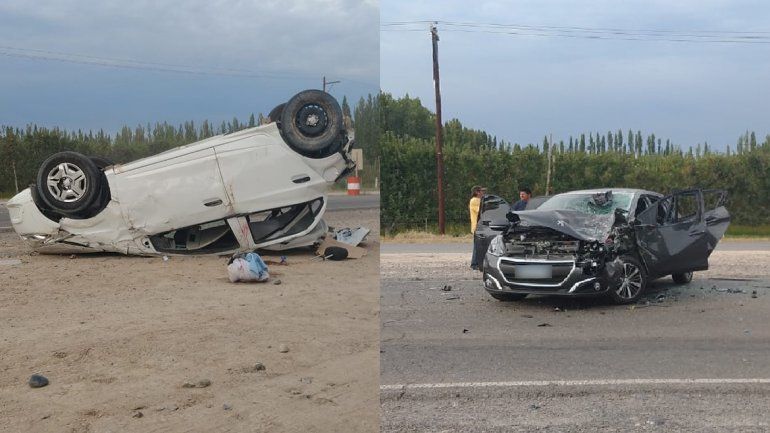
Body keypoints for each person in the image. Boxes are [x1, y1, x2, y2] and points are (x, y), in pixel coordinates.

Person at [469, 185, 483, 270]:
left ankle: (478, 262)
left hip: (480, 227)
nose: (482, 193)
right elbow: (480, 210)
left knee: (479, 245)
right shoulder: (474, 200)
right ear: (477, 192)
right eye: (481, 191)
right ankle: (474, 263)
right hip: (477, 227)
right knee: (477, 246)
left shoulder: (479, 200)